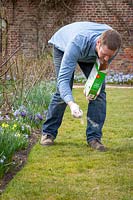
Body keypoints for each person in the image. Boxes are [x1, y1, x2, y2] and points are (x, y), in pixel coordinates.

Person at [40, 21, 121, 151]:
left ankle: (94, 138)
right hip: (64, 47)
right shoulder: (77, 43)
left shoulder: (113, 45)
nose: (107, 58)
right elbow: (63, 80)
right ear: (98, 43)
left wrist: (94, 87)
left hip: (91, 55)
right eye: (104, 54)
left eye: (109, 56)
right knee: (62, 92)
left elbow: (102, 67)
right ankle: (48, 133)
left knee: (99, 93)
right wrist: (71, 104)